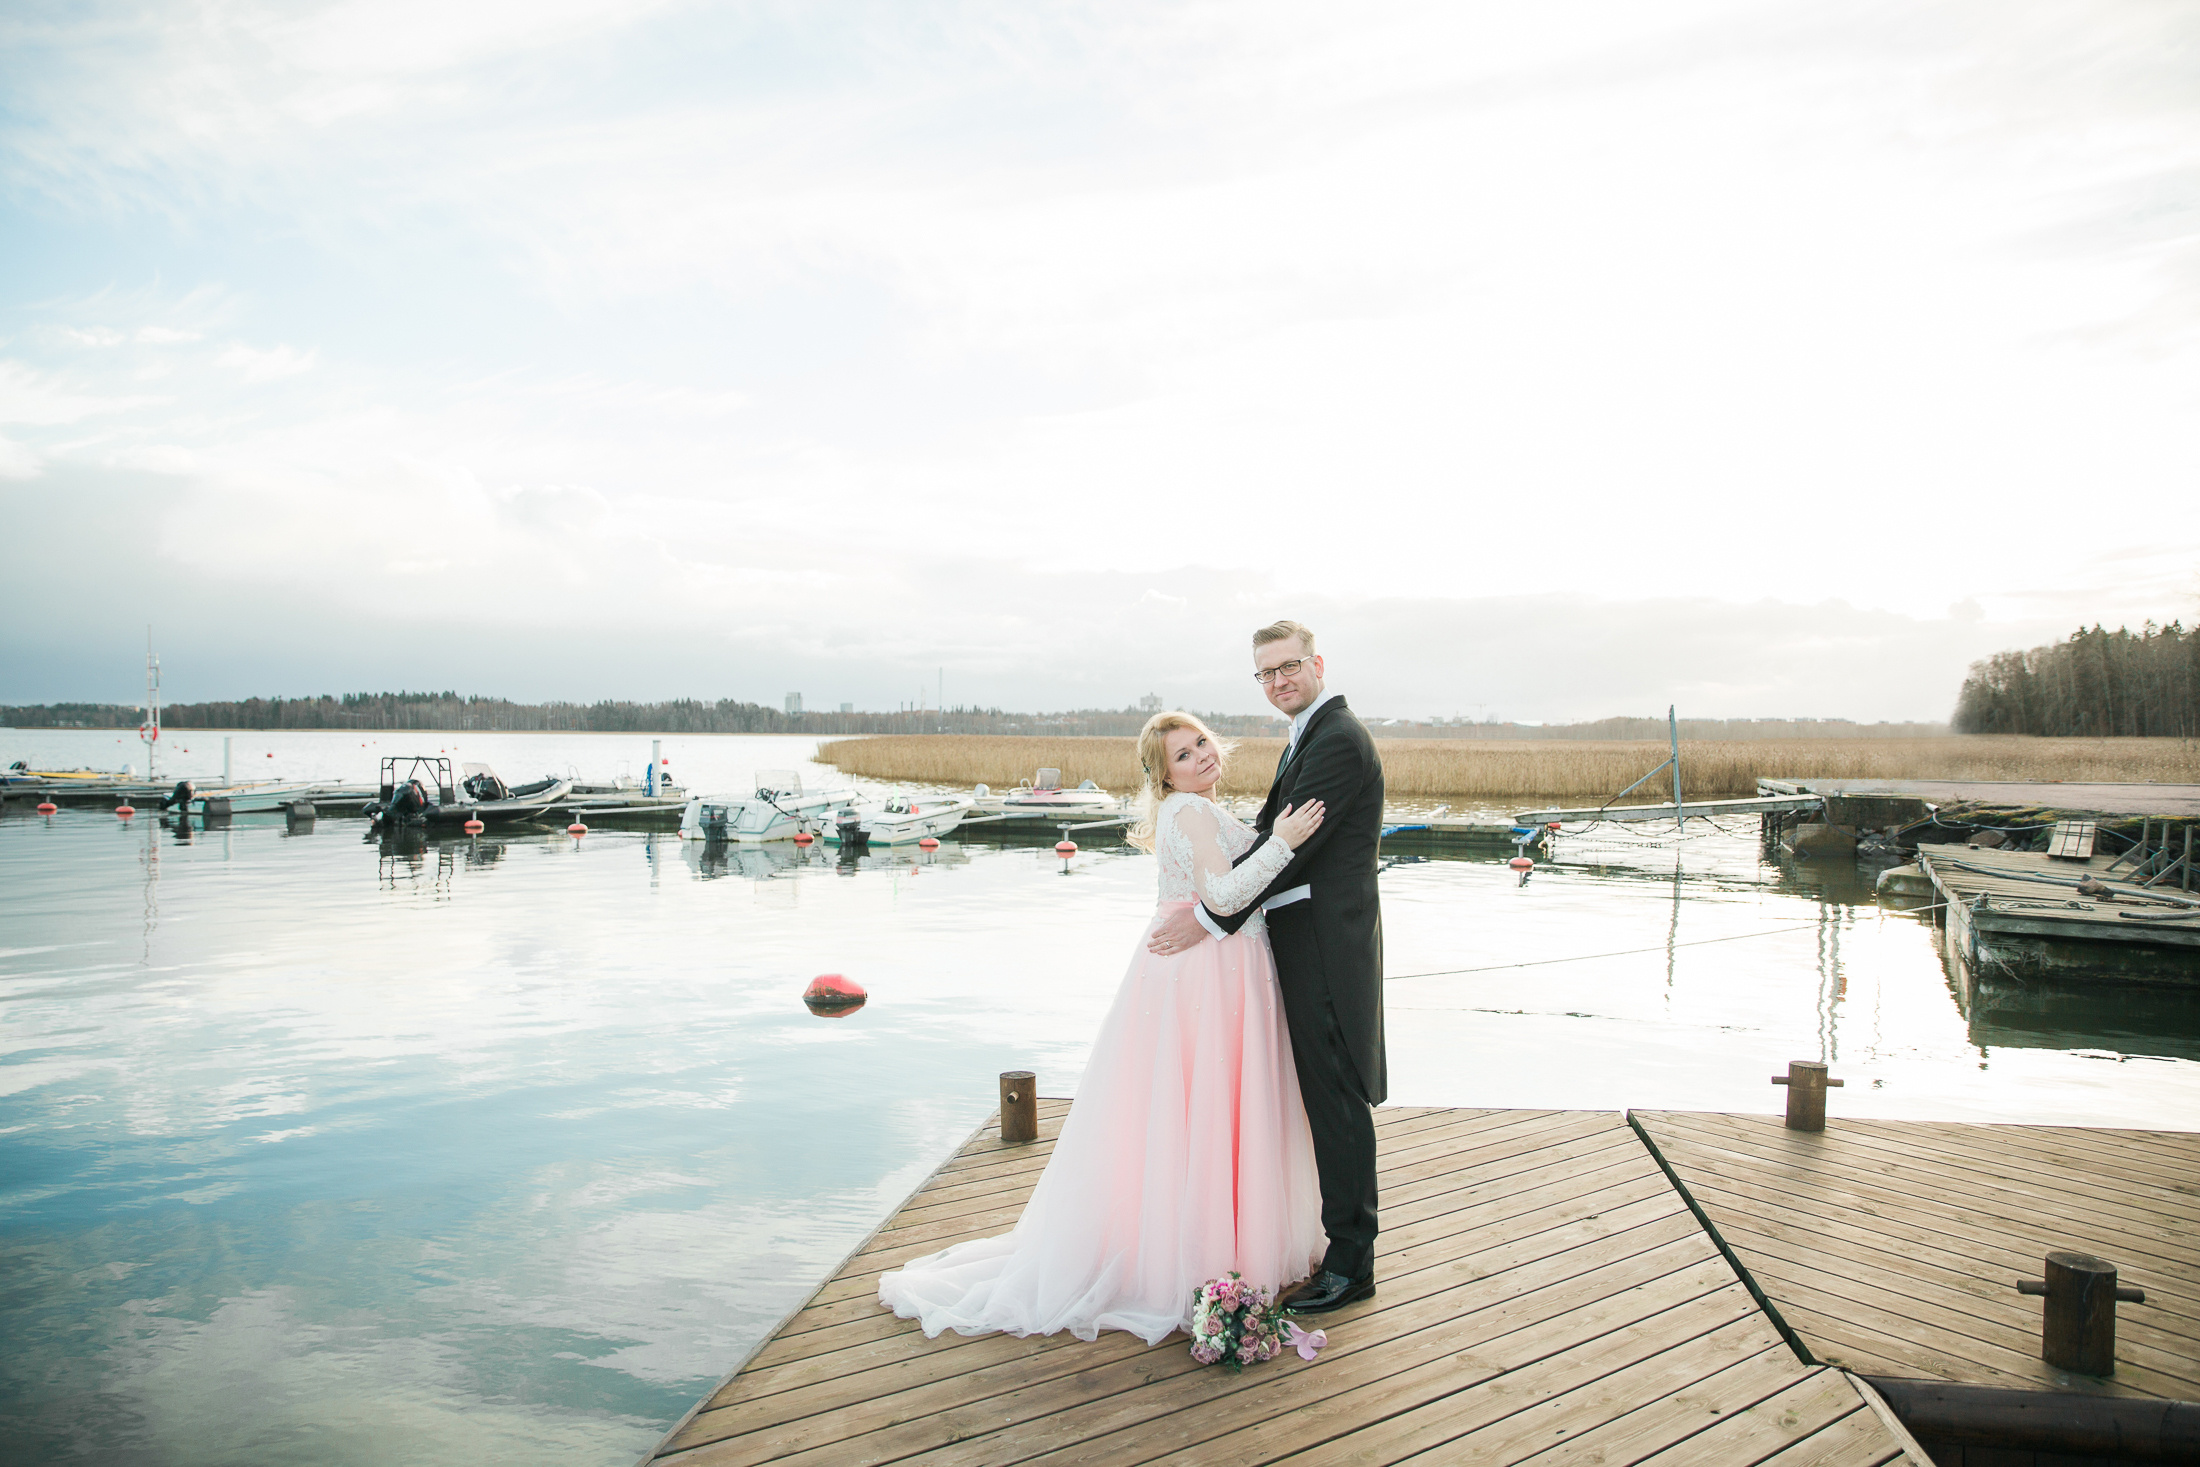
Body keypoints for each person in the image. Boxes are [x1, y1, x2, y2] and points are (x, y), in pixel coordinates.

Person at [878, 711, 1327, 1345]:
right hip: (1208, 977)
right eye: (1181, 755)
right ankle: (1202, 1256)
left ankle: (1196, 1248)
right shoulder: (1191, 812)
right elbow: (1223, 897)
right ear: (1163, 774)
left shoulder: (1189, 809)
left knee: (1185, 1114)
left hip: (1202, 971)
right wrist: (1283, 841)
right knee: (1207, 1109)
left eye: (1201, 743)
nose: (1199, 757)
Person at [1146, 620, 1386, 1314]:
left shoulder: (1335, 741)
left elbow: (1292, 850)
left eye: (1289, 667)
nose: (1280, 681)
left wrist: (1207, 917)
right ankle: (1341, 1250)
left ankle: (1351, 1265)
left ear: (1317, 663)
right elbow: (1267, 842)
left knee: (1336, 1099)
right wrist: (1216, 905)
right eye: (1267, 673)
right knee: (1324, 1098)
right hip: (1303, 940)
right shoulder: (1306, 736)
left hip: (1326, 946)